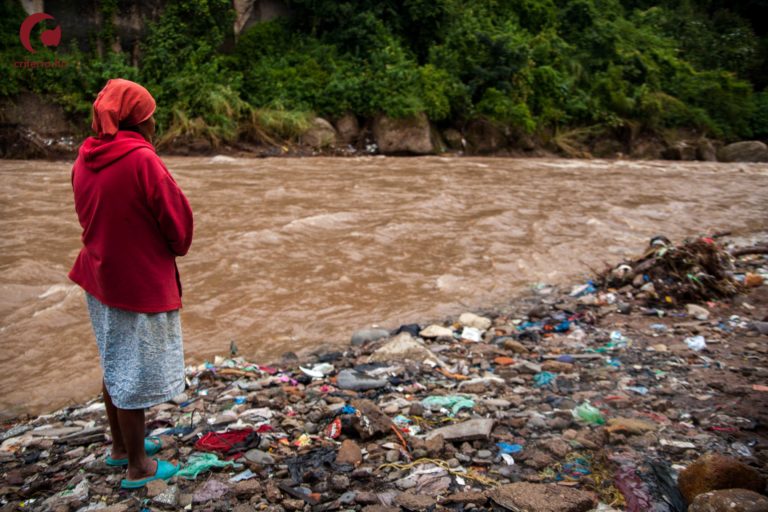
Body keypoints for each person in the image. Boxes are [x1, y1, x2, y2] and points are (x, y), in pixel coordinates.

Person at [68, 78, 194, 489]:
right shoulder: (143, 161)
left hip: (99, 274)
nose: (155, 121)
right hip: (136, 282)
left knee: (115, 361)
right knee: (134, 373)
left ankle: (121, 447)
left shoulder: (86, 157)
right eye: (150, 115)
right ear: (137, 121)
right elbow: (179, 230)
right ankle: (138, 466)